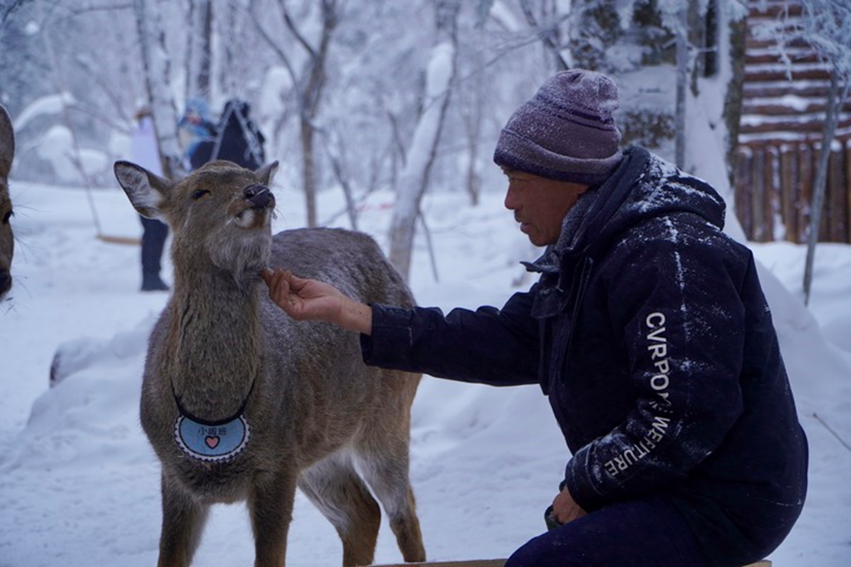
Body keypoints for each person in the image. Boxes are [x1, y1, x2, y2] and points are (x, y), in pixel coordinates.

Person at [260, 70, 808, 567]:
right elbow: (505, 338)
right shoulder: (593, 250)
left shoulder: (667, 255)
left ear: (570, 176)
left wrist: (588, 484)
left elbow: (684, 415)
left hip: (727, 497)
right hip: (669, 481)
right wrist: (352, 313)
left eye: (518, 180)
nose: (508, 202)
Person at [130, 107, 169, 292]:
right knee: (157, 234)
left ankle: (149, 275)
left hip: (141, 188)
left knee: (150, 234)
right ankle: (152, 277)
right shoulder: (156, 133)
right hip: (156, 188)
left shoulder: (138, 132)